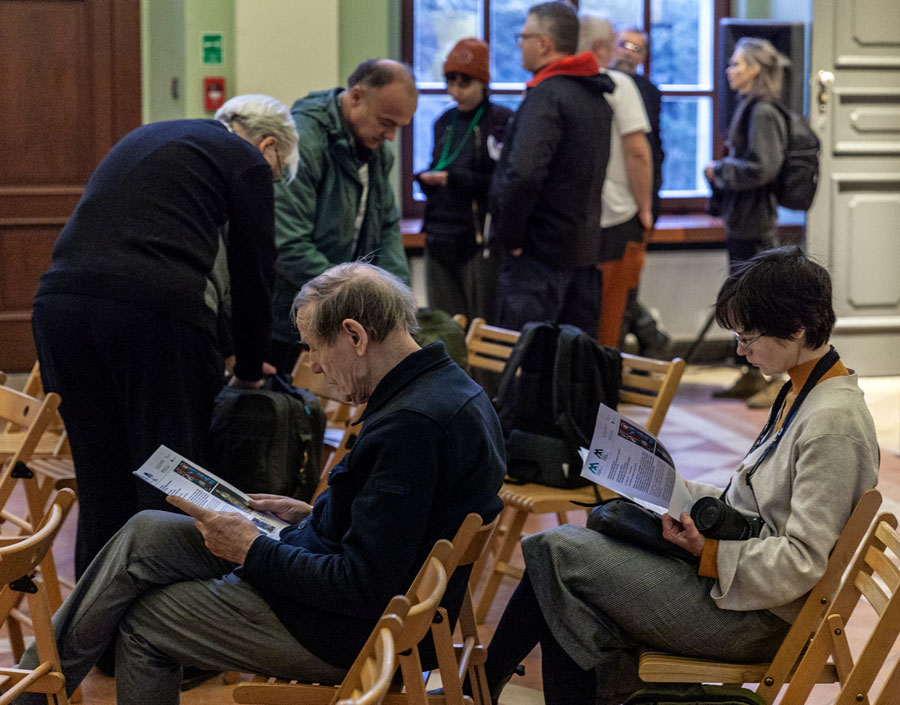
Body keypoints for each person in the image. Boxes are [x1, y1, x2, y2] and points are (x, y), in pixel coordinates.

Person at [15, 262, 507, 705]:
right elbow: (401, 527)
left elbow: (362, 586)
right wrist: (315, 513)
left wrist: (251, 549)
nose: (313, 365)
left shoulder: (412, 426)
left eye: (315, 348)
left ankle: (28, 692)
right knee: (147, 531)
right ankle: (33, 687)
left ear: (355, 335)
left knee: (145, 623)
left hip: (346, 628)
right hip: (335, 576)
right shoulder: (451, 388)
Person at [483, 246, 880, 705]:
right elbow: (751, 503)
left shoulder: (834, 422)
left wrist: (709, 553)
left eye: (748, 337)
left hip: (760, 618)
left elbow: (802, 561)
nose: (739, 349)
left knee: (555, 550)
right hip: (738, 591)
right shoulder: (802, 391)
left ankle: (480, 686)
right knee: (567, 583)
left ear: (796, 328)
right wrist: (670, 490)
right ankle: (487, 688)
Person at [31, 95, 299, 579]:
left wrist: (232, 346)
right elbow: (254, 269)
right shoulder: (248, 161)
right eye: (278, 173)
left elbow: (177, 251)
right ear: (268, 146)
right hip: (150, 319)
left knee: (100, 478)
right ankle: (163, 631)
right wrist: (250, 368)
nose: (271, 181)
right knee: (171, 478)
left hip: (59, 306)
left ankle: (94, 634)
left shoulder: (161, 135)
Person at [270, 59, 418, 373]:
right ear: (355, 97)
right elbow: (288, 245)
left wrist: (395, 302)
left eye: (398, 127)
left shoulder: (375, 149)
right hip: (286, 319)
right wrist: (355, 298)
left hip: (333, 311)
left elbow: (387, 228)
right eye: (386, 122)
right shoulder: (303, 143)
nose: (391, 136)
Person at [490, 1, 614, 334]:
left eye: (524, 37)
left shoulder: (547, 96)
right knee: (569, 369)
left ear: (544, 44)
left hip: (536, 258)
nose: (521, 44)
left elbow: (524, 174)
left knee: (526, 368)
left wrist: (511, 235)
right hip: (582, 251)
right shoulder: (595, 97)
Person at [705, 37, 788, 403]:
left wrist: (720, 171)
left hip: (756, 221)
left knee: (762, 301)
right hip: (743, 219)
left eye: (737, 64)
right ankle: (753, 373)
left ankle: (776, 378)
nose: (730, 70)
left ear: (755, 69)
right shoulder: (749, 107)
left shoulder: (764, 112)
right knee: (744, 301)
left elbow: (765, 167)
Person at [416, 38, 513, 323]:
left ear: (483, 82)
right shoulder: (443, 121)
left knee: (481, 322)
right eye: (450, 82)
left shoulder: (500, 120)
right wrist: (427, 180)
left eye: (465, 83)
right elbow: (440, 165)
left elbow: (504, 182)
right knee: (445, 325)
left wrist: (458, 180)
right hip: (439, 233)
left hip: (477, 237)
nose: (456, 91)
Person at [576, 14, 653, 349]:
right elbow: (638, 152)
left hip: (571, 221)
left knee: (576, 321)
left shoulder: (554, 86)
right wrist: (646, 208)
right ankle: (604, 398)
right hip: (617, 217)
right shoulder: (618, 85)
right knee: (609, 324)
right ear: (602, 47)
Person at [611, 26, 671, 358]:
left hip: (638, 201)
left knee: (626, 285)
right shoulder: (602, 83)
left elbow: (650, 151)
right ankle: (651, 337)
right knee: (614, 288)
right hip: (608, 199)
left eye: (637, 48)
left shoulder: (648, 91)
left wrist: (648, 204)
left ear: (643, 56)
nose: (628, 52)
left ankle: (644, 344)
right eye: (624, 44)